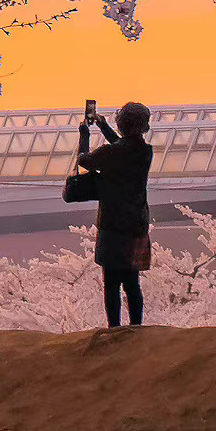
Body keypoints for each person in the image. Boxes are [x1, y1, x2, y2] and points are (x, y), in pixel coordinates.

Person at [66, 97, 153, 327]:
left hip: (112, 225)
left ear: (121, 124)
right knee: (132, 282)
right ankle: (137, 328)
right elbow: (123, 146)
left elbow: (85, 161)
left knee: (112, 283)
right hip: (136, 225)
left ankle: (114, 329)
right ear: (144, 125)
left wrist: (85, 135)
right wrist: (103, 126)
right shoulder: (144, 152)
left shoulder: (111, 154)